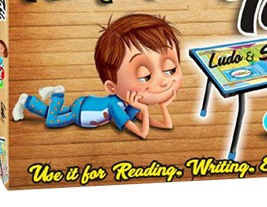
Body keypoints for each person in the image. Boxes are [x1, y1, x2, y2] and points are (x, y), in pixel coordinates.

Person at [12, 14, 183, 139]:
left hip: (84, 103)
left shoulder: (130, 104)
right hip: (80, 112)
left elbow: (166, 125)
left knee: (48, 113)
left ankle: (27, 100)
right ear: (111, 87)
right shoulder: (115, 105)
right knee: (51, 121)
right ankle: (57, 93)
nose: (163, 81)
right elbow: (142, 133)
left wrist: (163, 106)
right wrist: (144, 109)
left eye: (170, 70)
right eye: (145, 76)